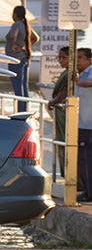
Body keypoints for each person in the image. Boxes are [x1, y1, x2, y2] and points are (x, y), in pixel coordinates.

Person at [6, 5, 38, 111]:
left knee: (18, 88)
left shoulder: (16, 24)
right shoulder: (26, 25)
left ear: (15, 14)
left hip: (15, 59)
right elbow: (35, 38)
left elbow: (12, 36)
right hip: (24, 57)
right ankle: (25, 110)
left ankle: (20, 112)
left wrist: (12, 46)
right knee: (24, 87)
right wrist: (24, 46)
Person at [48, 46, 70, 178]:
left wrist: (53, 101)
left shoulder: (69, 74)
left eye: (64, 58)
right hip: (59, 114)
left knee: (63, 142)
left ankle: (68, 174)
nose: (61, 61)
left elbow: (65, 92)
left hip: (63, 114)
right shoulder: (66, 72)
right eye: (59, 58)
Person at [75, 47, 92, 202]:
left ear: (89, 60)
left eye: (80, 58)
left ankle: (89, 192)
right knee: (82, 159)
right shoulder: (78, 74)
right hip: (80, 123)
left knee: (87, 159)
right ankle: (87, 189)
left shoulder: (89, 73)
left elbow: (90, 83)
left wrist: (78, 81)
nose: (78, 61)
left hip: (89, 123)